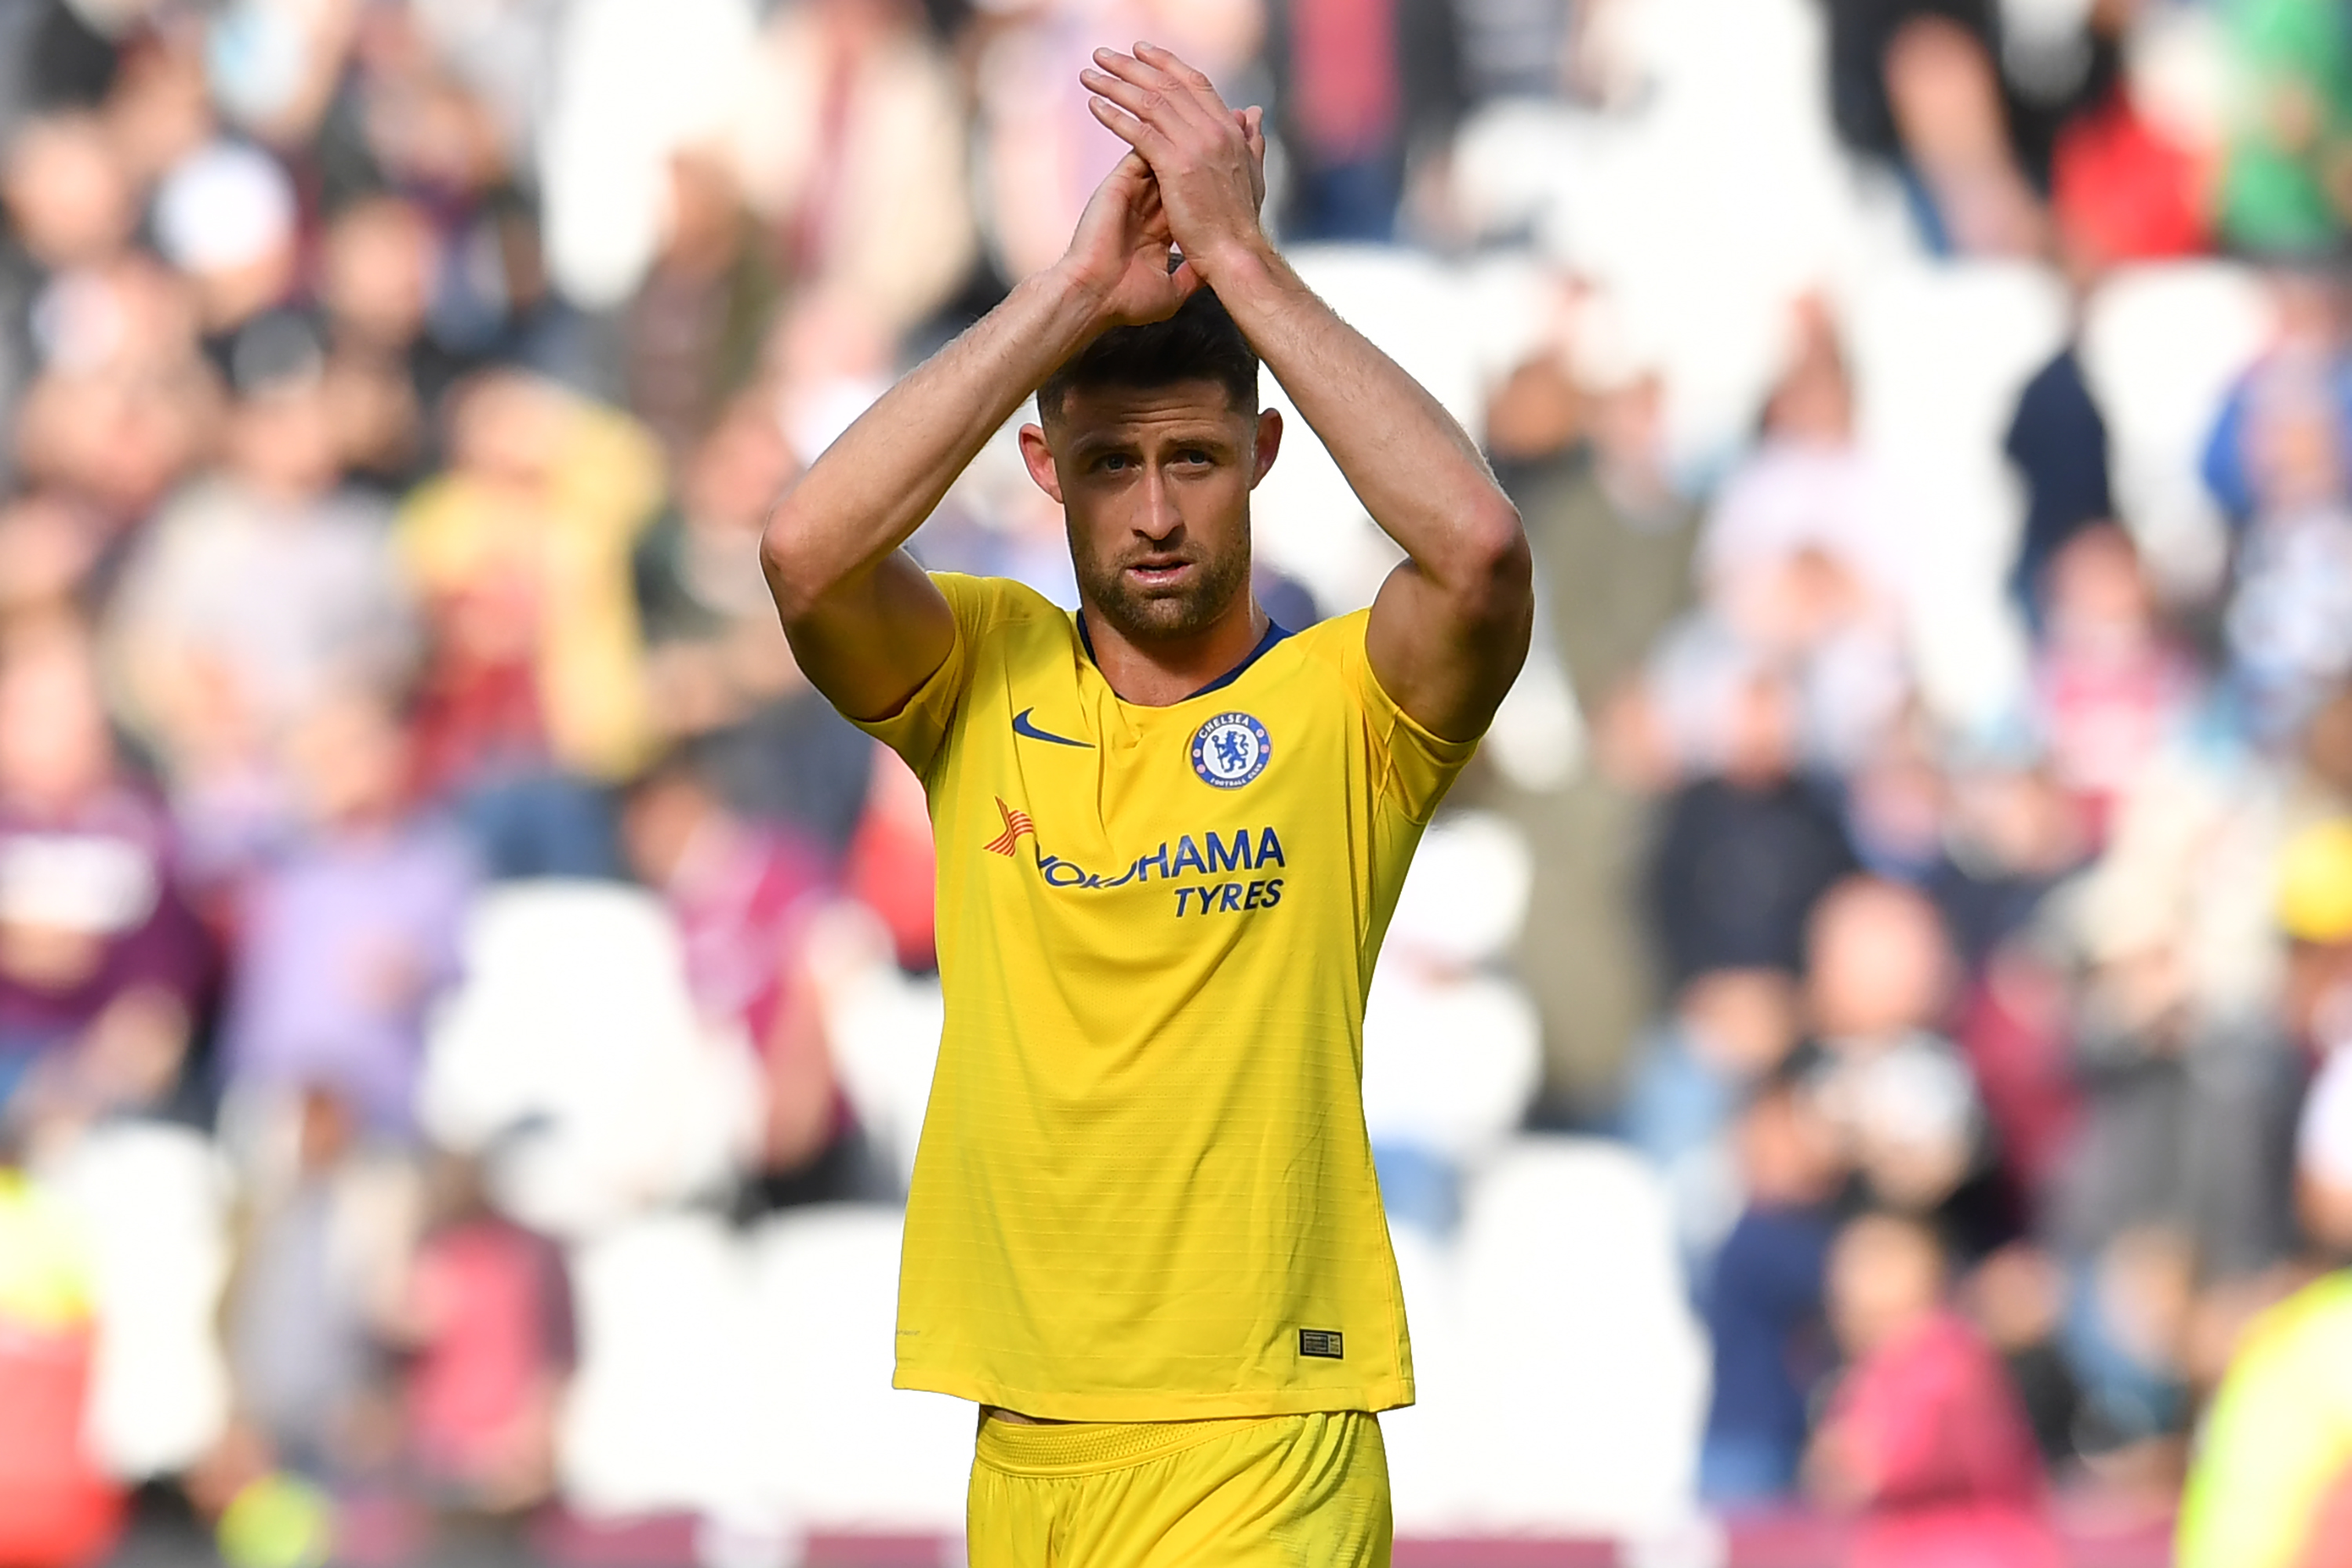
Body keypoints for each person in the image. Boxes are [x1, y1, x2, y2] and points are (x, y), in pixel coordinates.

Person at [757, 41, 1530, 1566]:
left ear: (1263, 456)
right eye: (1113, 466)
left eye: (1193, 459)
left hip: (1266, 1437)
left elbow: (1481, 553)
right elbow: (804, 552)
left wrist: (1239, 259)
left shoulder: (1344, 711)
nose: (1159, 511)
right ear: (1045, 470)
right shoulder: (986, 673)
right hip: (1027, 1444)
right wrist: (1065, 292)